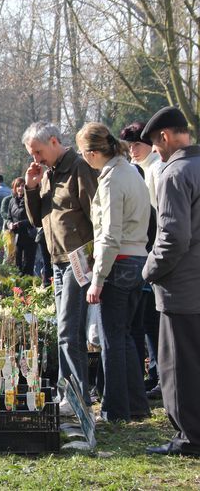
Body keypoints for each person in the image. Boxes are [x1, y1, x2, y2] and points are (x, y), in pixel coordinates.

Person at [76, 122, 151, 423]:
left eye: (83, 153)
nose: (83, 159)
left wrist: (98, 279)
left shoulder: (110, 181)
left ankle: (115, 410)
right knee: (127, 337)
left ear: (94, 153)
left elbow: (109, 235)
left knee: (112, 340)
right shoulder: (130, 171)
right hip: (138, 260)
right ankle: (136, 405)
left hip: (118, 262)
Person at [22, 121, 98, 414]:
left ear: (54, 142)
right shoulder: (46, 173)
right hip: (56, 260)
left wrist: (96, 260)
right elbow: (36, 218)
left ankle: (78, 397)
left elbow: (96, 216)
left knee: (69, 330)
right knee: (65, 331)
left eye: (38, 152)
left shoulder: (79, 168)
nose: (35, 159)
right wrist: (30, 187)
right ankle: (71, 393)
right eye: (32, 153)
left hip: (78, 259)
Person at [140, 106, 200, 457]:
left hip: (182, 288)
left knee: (178, 366)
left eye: (155, 145)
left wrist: (148, 271)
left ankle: (188, 437)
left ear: (164, 137)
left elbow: (173, 237)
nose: (156, 153)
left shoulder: (174, 173)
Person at [119, 122, 162, 398]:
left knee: (153, 321)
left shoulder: (155, 168)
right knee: (147, 321)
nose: (133, 151)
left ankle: (159, 374)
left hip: (155, 249)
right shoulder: (141, 168)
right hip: (145, 248)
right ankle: (153, 373)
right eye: (129, 146)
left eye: (137, 145)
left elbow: (157, 215)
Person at [6, 177, 37, 276]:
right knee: (17, 264)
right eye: (18, 186)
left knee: (28, 264)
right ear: (14, 188)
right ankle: (18, 286)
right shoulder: (12, 201)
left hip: (29, 235)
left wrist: (20, 223)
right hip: (16, 236)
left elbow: (35, 218)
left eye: (23, 186)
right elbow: (9, 217)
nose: (20, 188)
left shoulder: (30, 200)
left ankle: (28, 284)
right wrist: (9, 224)